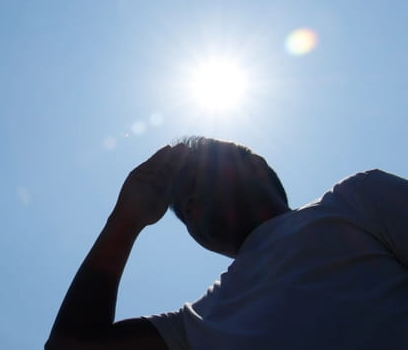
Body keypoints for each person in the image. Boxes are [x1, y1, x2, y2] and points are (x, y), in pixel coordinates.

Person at [45, 137, 408, 349]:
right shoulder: (195, 325)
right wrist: (125, 221)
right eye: (182, 207)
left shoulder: (356, 199)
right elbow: (73, 347)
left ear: (256, 166)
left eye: (202, 178)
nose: (189, 204)